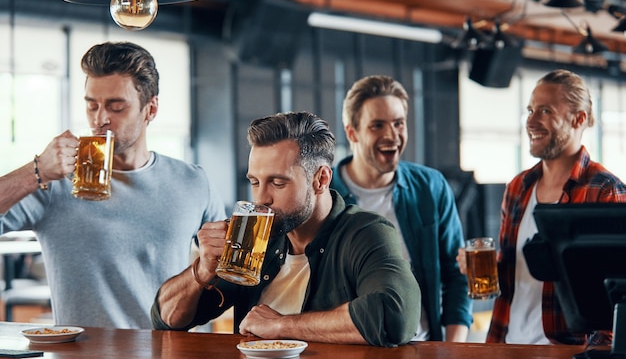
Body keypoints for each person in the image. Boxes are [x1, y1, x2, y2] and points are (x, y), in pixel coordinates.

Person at [0, 41, 226, 329]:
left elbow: (226, 275)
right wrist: (36, 171)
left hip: (168, 352)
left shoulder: (194, 181)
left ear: (151, 109)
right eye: (91, 105)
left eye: (116, 107)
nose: (100, 119)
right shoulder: (54, 182)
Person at [151, 111, 420, 347]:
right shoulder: (257, 240)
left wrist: (282, 327)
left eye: (277, 183)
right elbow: (167, 320)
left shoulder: (365, 232)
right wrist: (202, 270)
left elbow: (394, 316)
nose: (261, 199)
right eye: (255, 182)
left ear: (321, 179)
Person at [460, 69, 626, 344]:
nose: (532, 121)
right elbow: (514, 275)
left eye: (546, 111)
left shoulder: (605, 190)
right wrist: (479, 269)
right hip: (507, 344)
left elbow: (618, 294)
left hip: (565, 351)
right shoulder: (518, 187)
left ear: (578, 118)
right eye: (530, 110)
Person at [330, 75, 472, 342]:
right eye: (377, 125)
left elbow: (457, 274)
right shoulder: (325, 196)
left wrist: (453, 348)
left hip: (425, 345)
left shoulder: (431, 186)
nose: (391, 136)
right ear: (352, 132)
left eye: (399, 123)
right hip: (351, 348)